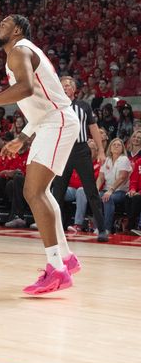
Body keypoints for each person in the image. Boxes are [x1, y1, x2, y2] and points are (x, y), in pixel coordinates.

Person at [0, 15, 79, 295]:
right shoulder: (21, 51)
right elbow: (39, 100)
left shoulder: (19, 51)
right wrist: (22, 137)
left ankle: (57, 270)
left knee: (33, 192)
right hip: (50, 122)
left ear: (16, 30)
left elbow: (25, 89)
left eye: (2, 24)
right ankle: (65, 258)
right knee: (43, 193)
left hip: (57, 122)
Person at [50, 76, 108, 242]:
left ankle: (102, 229)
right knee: (58, 192)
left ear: (75, 89)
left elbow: (93, 128)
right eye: (63, 85)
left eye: (69, 85)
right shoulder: (55, 107)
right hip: (62, 150)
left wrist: (101, 150)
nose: (66, 87)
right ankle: (57, 229)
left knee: (91, 190)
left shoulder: (83, 106)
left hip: (81, 149)